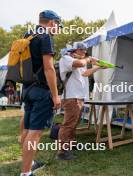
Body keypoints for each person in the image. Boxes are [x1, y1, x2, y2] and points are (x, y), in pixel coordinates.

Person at [20, 10, 62, 176]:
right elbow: (49, 68)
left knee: (28, 129)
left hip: (27, 89)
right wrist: (55, 95)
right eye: (58, 25)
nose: (58, 29)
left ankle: (29, 164)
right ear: (52, 22)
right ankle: (25, 173)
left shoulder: (28, 34)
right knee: (35, 132)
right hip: (41, 90)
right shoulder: (45, 37)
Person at [57, 42, 103, 160]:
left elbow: (85, 74)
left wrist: (99, 66)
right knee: (68, 124)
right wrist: (89, 59)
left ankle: (71, 144)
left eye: (85, 51)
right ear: (75, 50)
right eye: (82, 50)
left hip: (79, 97)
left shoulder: (81, 62)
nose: (85, 52)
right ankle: (62, 151)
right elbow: (79, 63)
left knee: (74, 123)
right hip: (71, 97)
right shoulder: (66, 58)